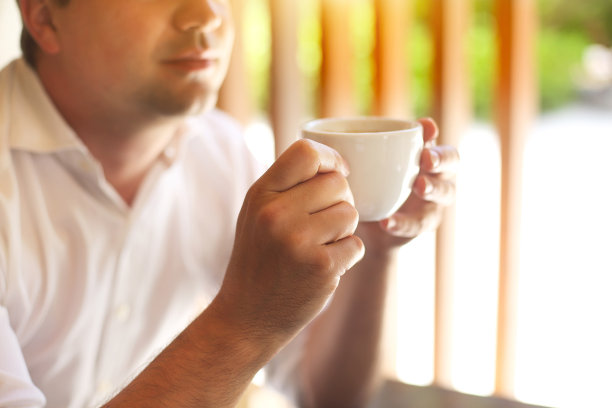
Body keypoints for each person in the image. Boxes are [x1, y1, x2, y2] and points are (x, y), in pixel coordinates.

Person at [0, 0, 459, 407]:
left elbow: (325, 395)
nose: (207, 15)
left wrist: (374, 248)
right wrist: (245, 322)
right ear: (44, 18)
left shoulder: (223, 151)